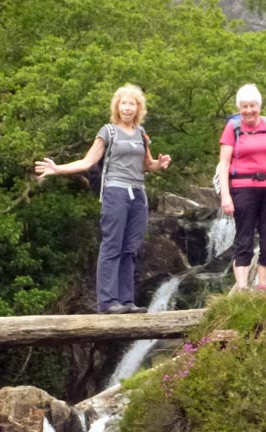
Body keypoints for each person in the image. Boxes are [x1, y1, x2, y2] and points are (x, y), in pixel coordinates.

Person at [35, 84, 171, 314]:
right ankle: (107, 302)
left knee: (130, 248)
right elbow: (87, 162)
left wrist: (160, 164)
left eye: (132, 103)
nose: (128, 108)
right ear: (117, 106)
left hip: (138, 194)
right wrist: (58, 169)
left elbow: (148, 165)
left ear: (139, 108)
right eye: (124, 103)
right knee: (112, 245)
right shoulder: (107, 131)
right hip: (115, 192)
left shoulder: (141, 134)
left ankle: (126, 301)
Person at [217, 84, 266, 292]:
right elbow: (224, 164)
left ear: (259, 106)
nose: (249, 110)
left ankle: (263, 287)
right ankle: (242, 288)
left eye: (252, 106)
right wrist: (226, 196)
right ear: (239, 108)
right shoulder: (233, 128)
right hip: (242, 188)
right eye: (244, 106)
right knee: (244, 238)